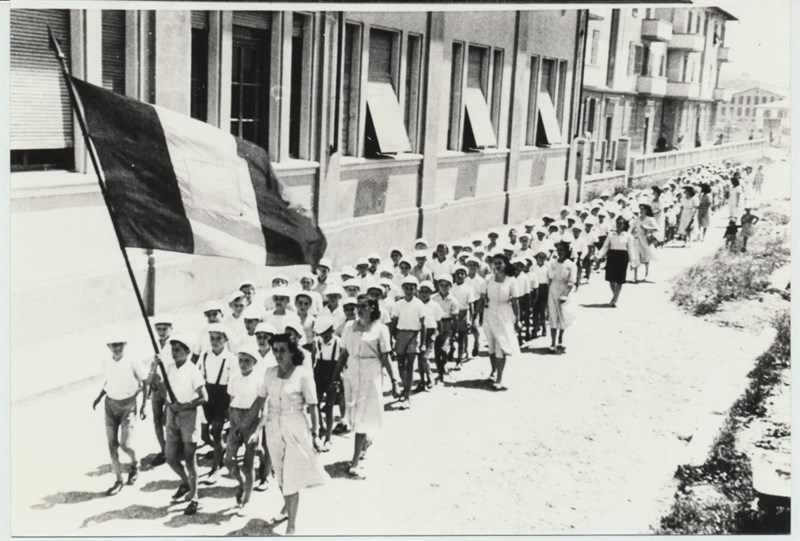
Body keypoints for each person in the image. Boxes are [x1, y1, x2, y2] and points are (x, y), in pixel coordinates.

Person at [256, 333, 328, 535]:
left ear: (292, 352)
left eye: (282, 350)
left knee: (291, 476)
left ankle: (291, 527)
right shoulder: (270, 373)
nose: (278, 354)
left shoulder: (302, 374)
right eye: (275, 350)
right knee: (280, 474)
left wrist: (315, 434)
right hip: (273, 427)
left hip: (295, 428)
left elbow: (313, 405)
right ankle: (286, 507)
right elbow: (260, 400)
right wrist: (247, 426)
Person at [331, 295, 399, 478]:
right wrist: (335, 377)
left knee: (362, 415)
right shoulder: (349, 327)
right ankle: (365, 441)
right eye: (357, 306)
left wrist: (395, 381)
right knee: (353, 415)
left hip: (371, 373)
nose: (359, 310)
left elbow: (385, 357)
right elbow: (344, 353)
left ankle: (354, 461)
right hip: (352, 372)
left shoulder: (381, 329)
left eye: (363, 306)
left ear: (372, 308)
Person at [154, 334, 208, 516]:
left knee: (190, 458)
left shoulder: (193, 370)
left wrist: (184, 406)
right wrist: (155, 367)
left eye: (178, 349)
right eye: (172, 349)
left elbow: (204, 397)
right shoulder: (169, 368)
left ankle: (195, 497)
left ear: (187, 351)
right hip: (172, 414)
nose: (174, 352)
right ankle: (186, 483)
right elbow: (159, 387)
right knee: (170, 457)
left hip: (189, 416)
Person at [92, 338, 150, 496]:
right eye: (113, 344)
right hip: (110, 405)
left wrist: (144, 405)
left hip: (128, 407)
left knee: (125, 445)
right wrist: (99, 397)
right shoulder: (106, 363)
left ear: (125, 344)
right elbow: (109, 381)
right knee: (112, 445)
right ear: (108, 346)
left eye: (120, 344)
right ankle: (118, 480)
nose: (117, 347)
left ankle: (135, 463)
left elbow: (145, 382)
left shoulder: (133, 361)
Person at [224, 346, 265, 513]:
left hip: (252, 421)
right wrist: (231, 424)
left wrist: (257, 431)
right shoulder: (234, 379)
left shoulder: (259, 381)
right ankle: (242, 484)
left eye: (247, 360)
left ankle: (247, 500)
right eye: (240, 360)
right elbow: (232, 401)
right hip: (235, 420)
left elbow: (264, 410)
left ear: (254, 362)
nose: (243, 363)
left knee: (248, 465)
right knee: (228, 460)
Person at [199, 324, 235, 485]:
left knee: (217, 432)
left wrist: (230, 407)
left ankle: (215, 469)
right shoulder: (206, 355)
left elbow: (233, 384)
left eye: (218, 338)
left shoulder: (231, 358)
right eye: (212, 338)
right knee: (203, 434)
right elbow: (201, 376)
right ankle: (221, 448)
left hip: (222, 396)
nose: (214, 341)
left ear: (226, 340)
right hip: (208, 395)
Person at [481, 252, 520, 391]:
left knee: (501, 346)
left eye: (500, 263)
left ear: (505, 264)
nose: (497, 265)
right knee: (491, 345)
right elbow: (482, 297)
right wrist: (477, 316)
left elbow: (515, 301)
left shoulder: (511, 280)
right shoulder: (488, 279)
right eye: (495, 263)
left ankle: (499, 379)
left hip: (504, 314)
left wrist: (518, 319)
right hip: (489, 313)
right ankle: (493, 371)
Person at [390, 276, 426, 402]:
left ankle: (407, 396)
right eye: (406, 288)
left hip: (414, 335)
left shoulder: (419, 304)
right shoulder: (398, 304)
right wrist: (390, 339)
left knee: (409, 366)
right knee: (401, 365)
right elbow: (393, 323)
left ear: (416, 289)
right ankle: (405, 387)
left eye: (412, 288)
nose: (409, 291)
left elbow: (423, 324)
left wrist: (423, 343)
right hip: (400, 335)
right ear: (402, 289)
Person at [312, 318, 340, 451]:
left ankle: (328, 438)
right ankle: (319, 429)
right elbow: (313, 358)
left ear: (332, 331)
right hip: (319, 373)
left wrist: (335, 380)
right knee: (315, 404)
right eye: (322, 335)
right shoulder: (317, 342)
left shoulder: (338, 342)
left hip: (332, 373)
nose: (325, 337)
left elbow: (339, 363)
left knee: (329, 407)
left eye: (327, 334)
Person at [598, 216, 636, 307]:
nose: (619, 225)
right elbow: (605, 246)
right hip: (612, 256)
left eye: (621, 223)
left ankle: (614, 299)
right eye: (617, 223)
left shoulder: (628, 236)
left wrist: (632, 262)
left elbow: (631, 249)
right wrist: (599, 255)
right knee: (611, 279)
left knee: (619, 280)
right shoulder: (611, 234)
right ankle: (616, 295)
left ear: (624, 225)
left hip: (622, 257)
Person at [546, 243, 577, 353]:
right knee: (553, 316)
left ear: (567, 251)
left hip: (564, 290)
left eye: (562, 250)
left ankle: (560, 338)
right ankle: (553, 342)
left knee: (562, 316)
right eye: (558, 250)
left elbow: (572, 281)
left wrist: (566, 295)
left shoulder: (571, 265)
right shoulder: (552, 264)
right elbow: (549, 278)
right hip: (553, 289)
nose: (560, 252)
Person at [630, 204, 659, 283]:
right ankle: (635, 276)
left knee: (646, 258)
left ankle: (646, 275)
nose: (641, 210)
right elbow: (630, 229)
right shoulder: (637, 219)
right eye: (640, 209)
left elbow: (657, 228)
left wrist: (647, 228)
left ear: (646, 210)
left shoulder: (650, 219)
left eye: (642, 209)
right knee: (635, 257)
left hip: (646, 240)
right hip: (636, 240)